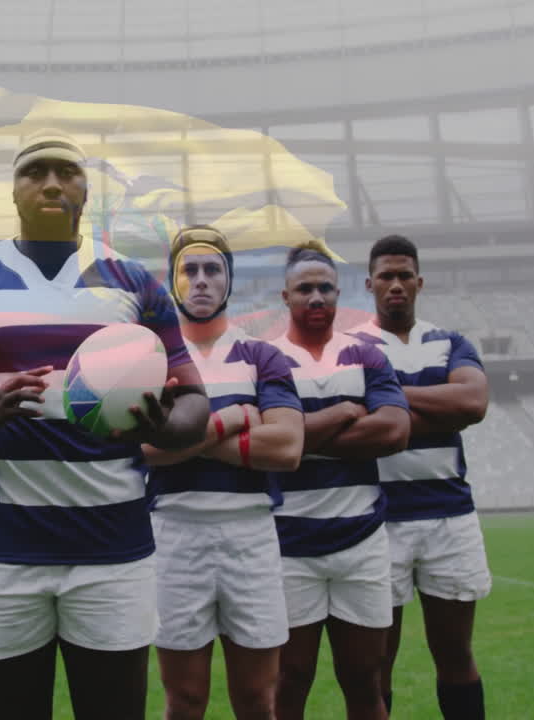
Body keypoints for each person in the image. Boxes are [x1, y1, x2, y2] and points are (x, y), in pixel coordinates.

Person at [0, 129, 210, 720]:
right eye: (34, 171)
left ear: (87, 191)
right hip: (0, 555)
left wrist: (159, 424)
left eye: (66, 171)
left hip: (113, 552)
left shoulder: (133, 282)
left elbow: (195, 408)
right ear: (12, 191)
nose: (51, 182)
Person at [142, 226, 305, 720]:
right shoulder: (150, 360)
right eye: (189, 270)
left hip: (250, 532)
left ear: (229, 280)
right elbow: (147, 450)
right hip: (174, 532)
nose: (201, 280)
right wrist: (232, 420)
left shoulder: (262, 355)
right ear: (172, 280)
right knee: (186, 699)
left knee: (257, 700)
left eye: (213, 269)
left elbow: (289, 447)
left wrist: (187, 439)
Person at [351, 235, 490, 720]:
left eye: (404, 275)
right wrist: (439, 408)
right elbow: (359, 421)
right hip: (379, 521)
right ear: (369, 284)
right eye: (385, 276)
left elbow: (472, 404)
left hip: (449, 519)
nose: (395, 285)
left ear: (419, 282)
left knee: (455, 655)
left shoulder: (450, 342)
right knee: (374, 668)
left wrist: (388, 394)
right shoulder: (353, 348)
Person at [272, 246, 410, 720]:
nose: (316, 297)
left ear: (339, 294)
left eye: (325, 288)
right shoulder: (267, 359)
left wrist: (302, 436)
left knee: (364, 679)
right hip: (289, 542)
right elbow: (273, 443)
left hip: (361, 542)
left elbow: (393, 430)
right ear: (284, 295)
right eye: (305, 289)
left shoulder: (366, 355)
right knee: (289, 680)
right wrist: (345, 412)